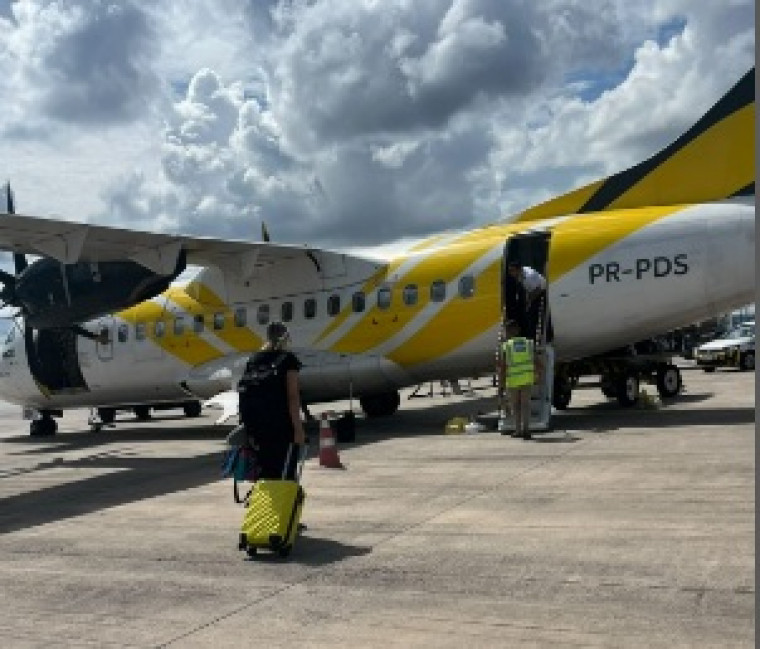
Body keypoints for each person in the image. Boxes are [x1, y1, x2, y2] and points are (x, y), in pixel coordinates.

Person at [237, 321, 306, 480]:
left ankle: (264, 503)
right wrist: (298, 429)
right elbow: (292, 396)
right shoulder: (288, 360)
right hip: (280, 426)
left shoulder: (254, 359)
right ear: (286, 337)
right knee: (285, 471)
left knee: (264, 471)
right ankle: (283, 503)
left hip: (257, 428)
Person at [502, 321, 543, 440]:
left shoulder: (507, 346)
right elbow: (537, 361)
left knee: (515, 406)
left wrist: (501, 382)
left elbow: (503, 366)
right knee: (525, 405)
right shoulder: (528, 343)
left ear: (510, 332)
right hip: (526, 379)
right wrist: (539, 374)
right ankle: (526, 430)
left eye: (506, 331)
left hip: (513, 381)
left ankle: (518, 430)